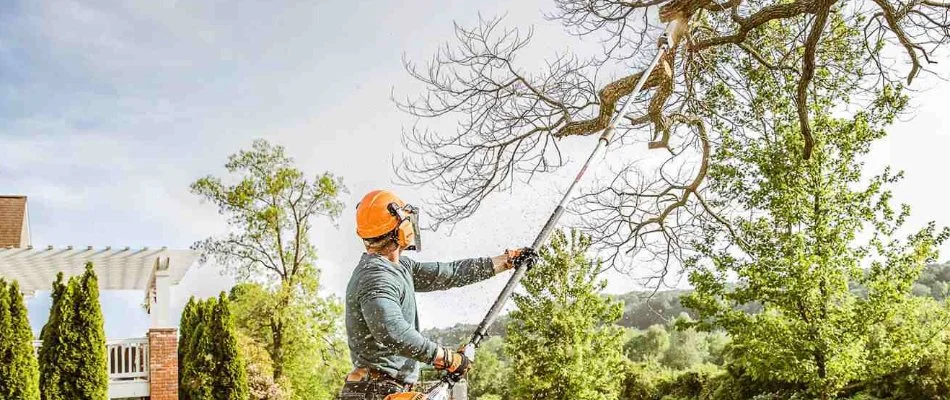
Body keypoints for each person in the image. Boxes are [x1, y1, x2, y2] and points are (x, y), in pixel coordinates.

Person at [338, 189, 531, 400]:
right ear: (399, 228)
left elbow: (449, 274)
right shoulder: (376, 277)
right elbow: (392, 331)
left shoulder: (400, 267)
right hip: (374, 391)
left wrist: (506, 261)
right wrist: (446, 358)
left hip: (387, 388)